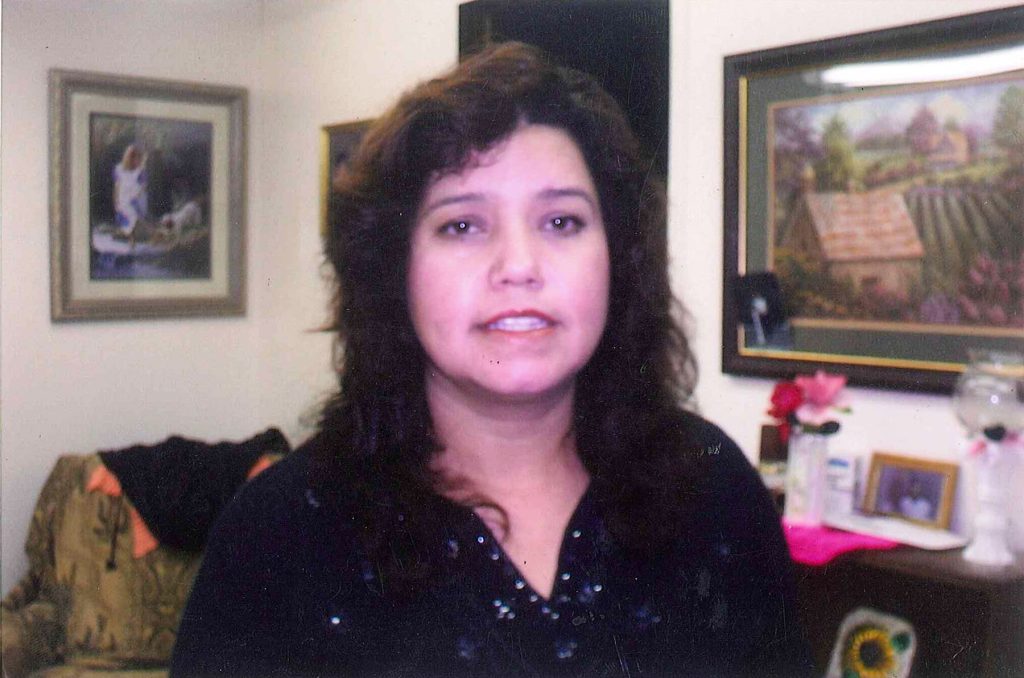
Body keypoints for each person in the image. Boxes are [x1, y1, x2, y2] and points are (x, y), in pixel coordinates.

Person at [171, 43, 812, 677]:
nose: (519, 267)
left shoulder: (713, 489)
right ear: (396, 269)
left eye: (561, 222)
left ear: (617, 257)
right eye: (462, 226)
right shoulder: (278, 538)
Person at [112, 144, 149, 240]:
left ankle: (133, 232)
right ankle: (125, 232)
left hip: (135, 197)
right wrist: (116, 201)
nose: (137, 160)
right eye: (135, 157)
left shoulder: (140, 171)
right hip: (123, 197)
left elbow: (143, 187)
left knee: (134, 213)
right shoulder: (119, 169)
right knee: (124, 213)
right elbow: (117, 186)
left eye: (139, 158)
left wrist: (135, 196)